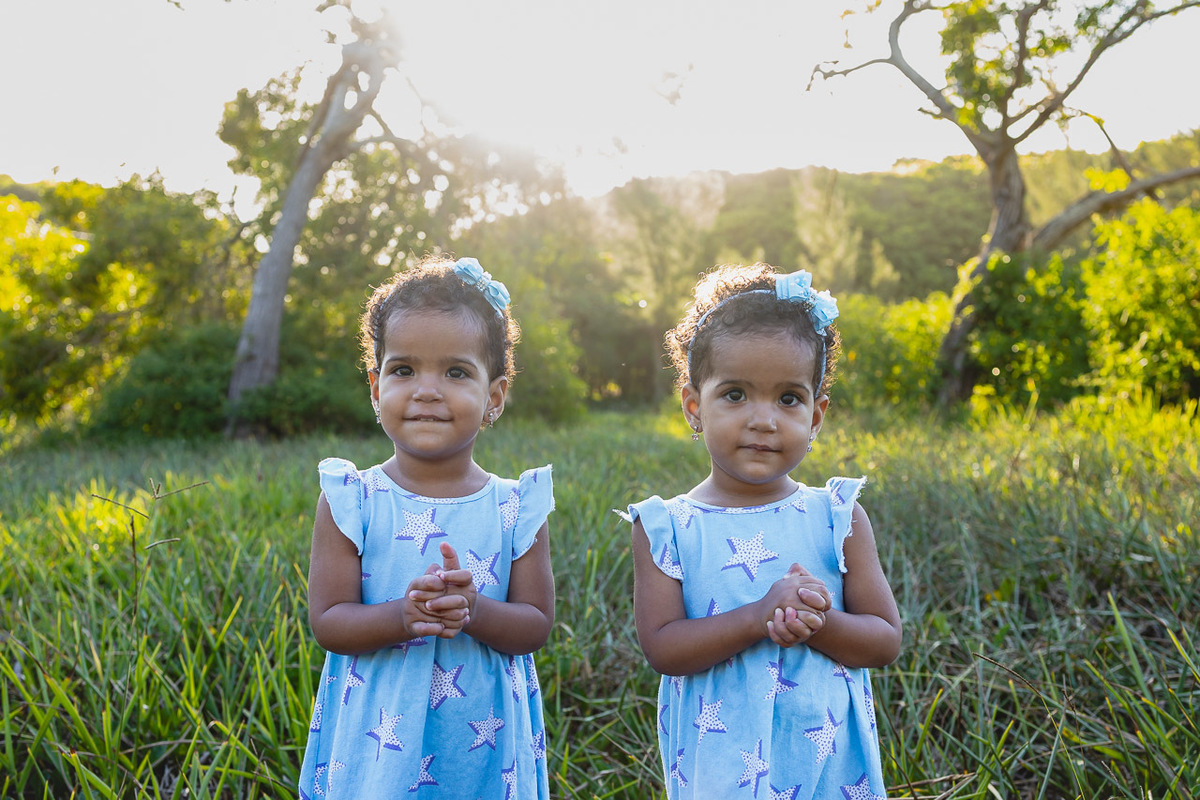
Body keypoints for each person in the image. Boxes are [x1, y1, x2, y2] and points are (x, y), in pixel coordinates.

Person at [626, 263, 902, 799]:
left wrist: (815, 623)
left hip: (829, 762)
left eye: (788, 399)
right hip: (722, 763)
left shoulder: (838, 518)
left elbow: (884, 640)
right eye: (734, 394)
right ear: (693, 406)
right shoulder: (669, 528)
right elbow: (663, 647)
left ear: (817, 415)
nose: (763, 420)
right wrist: (759, 616)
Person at [299, 256, 555, 799]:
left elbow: (535, 626)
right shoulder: (353, 500)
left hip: (485, 748)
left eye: (456, 372)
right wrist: (404, 615)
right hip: (380, 739)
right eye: (403, 370)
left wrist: (474, 610)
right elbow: (329, 621)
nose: (427, 390)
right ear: (375, 386)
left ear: (495, 396)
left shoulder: (516, 507)